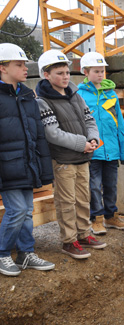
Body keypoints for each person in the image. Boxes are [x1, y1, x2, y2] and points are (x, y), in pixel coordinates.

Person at [36, 50, 106, 260]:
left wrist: (93, 139)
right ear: (46, 75)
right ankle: (69, 240)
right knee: (66, 201)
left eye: (67, 72)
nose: (65, 76)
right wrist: (81, 144)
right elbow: (52, 133)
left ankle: (84, 234)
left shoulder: (75, 96)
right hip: (64, 160)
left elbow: (89, 121)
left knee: (84, 198)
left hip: (83, 157)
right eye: (59, 73)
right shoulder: (42, 101)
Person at [0, 43, 55, 276]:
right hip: (6, 167)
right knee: (17, 210)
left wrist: (43, 169)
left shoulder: (27, 95)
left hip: (26, 164)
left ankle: (25, 253)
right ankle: (2, 254)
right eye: (19, 64)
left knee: (27, 211)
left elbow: (39, 135)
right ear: (2, 68)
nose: (25, 68)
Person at [77, 52, 124, 235]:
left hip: (112, 150)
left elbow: (120, 125)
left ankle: (111, 216)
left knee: (111, 185)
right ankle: (97, 218)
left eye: (102, 71)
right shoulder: (79, 95)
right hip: (93, 151)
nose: (100, 74)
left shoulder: (111, 95)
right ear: (85, 72)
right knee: (93, 185)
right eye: (96, 71)